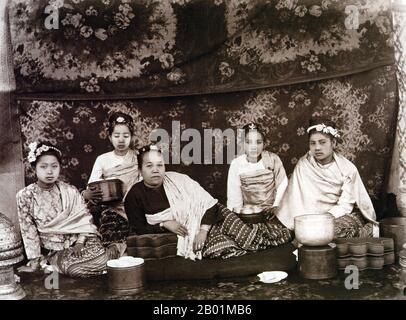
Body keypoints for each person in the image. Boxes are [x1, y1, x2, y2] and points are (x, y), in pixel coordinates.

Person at [124, 144, 292, 261]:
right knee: (222, 249)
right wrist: (164, 224)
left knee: (248, 236)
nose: (155, 170)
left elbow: (210, 205)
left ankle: (284, 232)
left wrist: (203, 231)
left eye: (160, 165)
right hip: (189, 234)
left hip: (213, 217)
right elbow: (139, 229)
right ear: (140, 170)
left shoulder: (178, 180)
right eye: (149, 166)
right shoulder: (135, 195)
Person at [16, 142, 125, 278]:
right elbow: (28, 230)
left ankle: (113, 250)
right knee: (74, 270)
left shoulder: (70, 191)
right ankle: (111, 257)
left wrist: (79, 243)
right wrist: (35, 261)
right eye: (43, 167)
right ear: (34, 168)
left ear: (60, 167)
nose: (49, 171)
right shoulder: (25, 196)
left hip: (82, 240)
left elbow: (84, 221)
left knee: (97, 257)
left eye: (54, 166)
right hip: (54, 250)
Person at [276, 118, 378, 238]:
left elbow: (345, 205)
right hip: (306, 218)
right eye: (312, 143)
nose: (317, 148)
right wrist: (307, 221)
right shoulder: (304, 164)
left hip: (335, 216)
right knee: (284, 232)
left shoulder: (347, 169)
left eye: (322, 142)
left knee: (331, 231)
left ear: (333, 143)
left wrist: (325, 217)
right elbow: (295, 200)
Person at [82, 112, 140, 246]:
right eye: (116, 135)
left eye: (126, 136)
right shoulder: (102, 159)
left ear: (131, 137)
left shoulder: (138, 157)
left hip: (136, 206)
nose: (121, 140)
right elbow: (92, 185)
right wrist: (88, 193)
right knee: (111, 235)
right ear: (109, 137)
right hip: (112, 208)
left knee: (137, 238)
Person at [227, 123, 288, 213]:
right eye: (248, 142)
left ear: (264, 143)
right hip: (248, 213)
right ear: (242, 143)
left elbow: (283, 186)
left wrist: (276, 208)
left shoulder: (273, 159)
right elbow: (234, 197)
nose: (254, 147)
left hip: (273, 211)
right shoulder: (236, 164)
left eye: (258, 142)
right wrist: (237, 214)